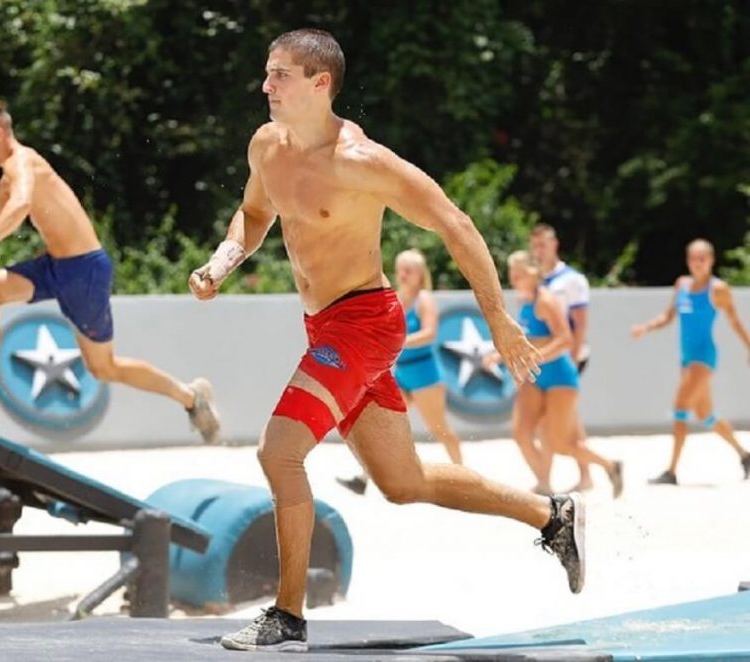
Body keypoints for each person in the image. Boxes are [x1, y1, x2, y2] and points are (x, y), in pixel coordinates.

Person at [188, 29, 585, 653]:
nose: (265, 86)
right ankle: (552, 514)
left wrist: (499, 319)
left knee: (279, 452)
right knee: (402, 483)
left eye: (280, 74)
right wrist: (223, 260)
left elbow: (456, 222)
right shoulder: (267, 145)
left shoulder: (362, 161)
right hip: (324, 325)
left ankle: (287, 617)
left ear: (320, 83)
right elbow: (256, 214)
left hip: (364, 323)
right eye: (267, 73)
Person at [0, 99, 221, 443]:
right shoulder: (8, 177)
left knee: (104, 367)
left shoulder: (23, 163)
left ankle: (190, 397)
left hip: (84, 272)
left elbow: (20, 207)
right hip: (54, 266)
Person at [487, 252, 622, 499]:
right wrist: (499, 354)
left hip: (560, 377)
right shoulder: (524, 300)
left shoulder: (546, 300)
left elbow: (565, 339)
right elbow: (529, 339)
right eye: (512, 272)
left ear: (533, 273)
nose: (513, 278)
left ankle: (609, 465)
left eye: (519, 272)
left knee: (560, 443)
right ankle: (544, 485)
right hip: (536, 376)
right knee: (521, 433)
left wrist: (533, 359)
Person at [336, 249, 464, 495]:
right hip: (403, 373)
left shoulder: (423, 298)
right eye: (401, 269)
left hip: (425, 374)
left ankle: (463, 476)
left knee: (439, 429)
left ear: (420, 273)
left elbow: (430, 333)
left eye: (409, 270)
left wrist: (398, 341)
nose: (404, 274)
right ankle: (363, 478)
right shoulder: (394, 299)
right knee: (384, 427)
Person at [632, 239, 750, 485]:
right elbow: (668, 317)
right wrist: (646, 327)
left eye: (702, 259)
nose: (698, 264)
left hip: (704, 356)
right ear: (688, 261)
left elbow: (735, 321)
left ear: (711, 260)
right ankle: (745, 455)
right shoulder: (682, 285)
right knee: (706, 415)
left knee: (680, 407)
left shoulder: (718, 289)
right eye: (693, 259)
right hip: (686, 358)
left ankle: (671, 471)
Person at [529, 223, 593, 492]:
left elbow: (580, 323)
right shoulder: (535, 280)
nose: (539, 251)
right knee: (566, 421)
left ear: (554, 245)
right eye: (535, 246)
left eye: (543, 245)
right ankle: (575, 476)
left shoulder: (572, 280)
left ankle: (554, 478)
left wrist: (573, 359)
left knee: (557, 421)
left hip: (565, 357)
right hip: (548, 358)